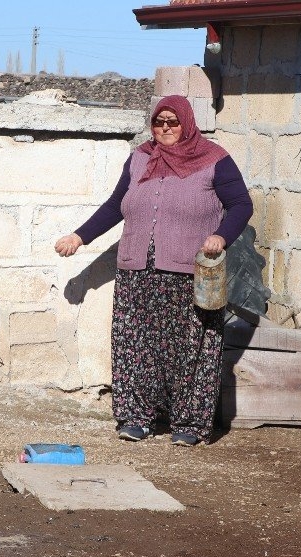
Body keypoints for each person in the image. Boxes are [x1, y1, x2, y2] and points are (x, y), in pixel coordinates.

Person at [54, 95, 252, 447]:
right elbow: (116, 205)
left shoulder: (214, 160)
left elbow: (241, 204)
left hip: (190, 274)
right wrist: (79, 236)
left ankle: (189, 423)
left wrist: (221, 236)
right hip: (136, 271)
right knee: (136, 345)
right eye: (159, 121)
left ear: (187, 123)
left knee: (190, 348)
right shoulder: (139, 158)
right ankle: (136, 418)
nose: (165, 128)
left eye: (172, 121)